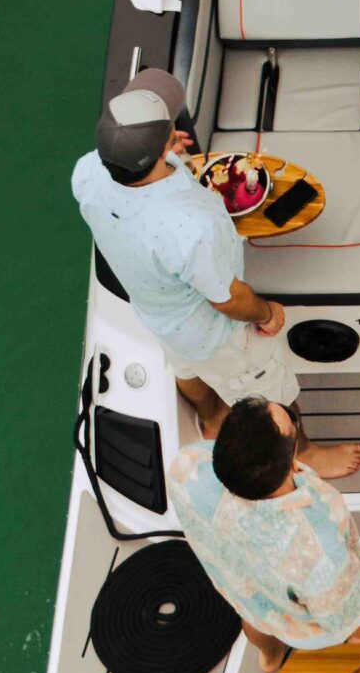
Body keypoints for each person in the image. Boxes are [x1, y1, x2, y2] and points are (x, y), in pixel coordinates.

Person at [72, 65, 296, 436]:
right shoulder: (192, 230)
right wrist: (268, 313)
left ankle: (211, 418)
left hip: (159, 315)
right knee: (271, 390)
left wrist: (162, 150)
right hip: (214, 334)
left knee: (187, 369)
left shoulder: (87, 172)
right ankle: (303, 449)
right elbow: (226, 299)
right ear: (159, 151)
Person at [168, 397, 360, 673]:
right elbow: (356, 620)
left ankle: (270, 657)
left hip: (243, 593)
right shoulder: (319, 551)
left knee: (255, 618)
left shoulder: (186, 466)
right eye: (293, 422)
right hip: (302, 627)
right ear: (293, 464)